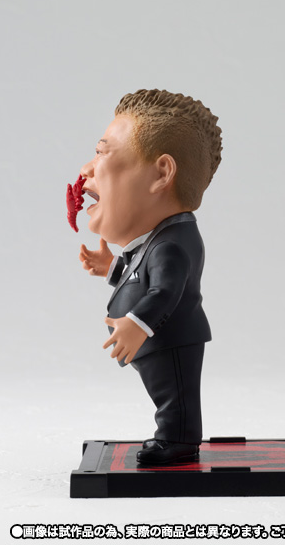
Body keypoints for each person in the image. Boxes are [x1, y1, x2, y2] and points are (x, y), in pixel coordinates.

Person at [77, 89, 222, 465]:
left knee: (175, 396)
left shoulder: (171, 245)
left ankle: (177, 441)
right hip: (157, 341)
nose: (86, 170)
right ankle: (174, 436)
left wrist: (137, 323)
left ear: (161, 173)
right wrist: (112, 268)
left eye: (102, 153)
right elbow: (143, 276)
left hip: (170, 340)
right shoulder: (161, 238)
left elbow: (165, 291)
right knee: (167, 394)